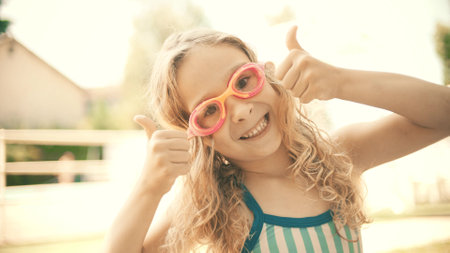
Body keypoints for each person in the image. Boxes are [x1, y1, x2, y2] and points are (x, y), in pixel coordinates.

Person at [102, 26, 450, 252]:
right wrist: (149, 187)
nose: (239, 111)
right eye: (209, 110)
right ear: (198, 136)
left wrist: (341, 82)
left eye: (242, 81)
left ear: (268, 76)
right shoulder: (218, 204)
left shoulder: (338, 157)